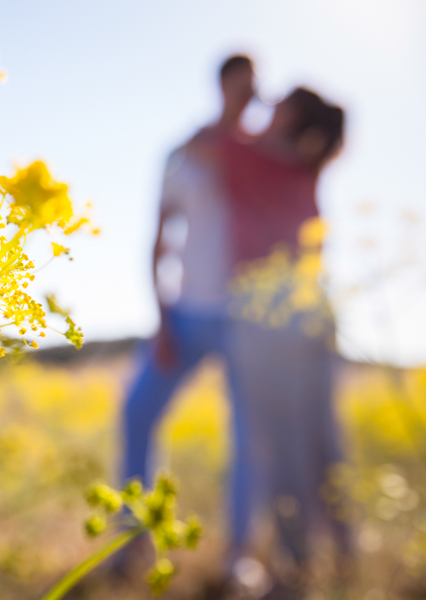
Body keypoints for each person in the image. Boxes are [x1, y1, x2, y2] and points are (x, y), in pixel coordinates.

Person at [120, 55, 256, 551]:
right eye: (241, 86)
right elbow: (159, 238)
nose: (248, 97)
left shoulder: (263, 154)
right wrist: (161, 318)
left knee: (247, 439)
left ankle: (238, 558)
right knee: (136, 413)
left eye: (254, 89)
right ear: (221, 86)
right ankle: (129, 544)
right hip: (186, 312)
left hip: (247, 317)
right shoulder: (183, 153)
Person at [222, 89, 349, 576]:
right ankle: (345, 554)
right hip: (313, 310)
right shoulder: (304, 170)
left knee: (277, 447)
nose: (265, 108)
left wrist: (241, 97)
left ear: (291, 114)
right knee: (323, 441)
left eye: (277, 104)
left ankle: (296, 568)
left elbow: (209, 140)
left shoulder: (252, 157)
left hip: (265, 318)